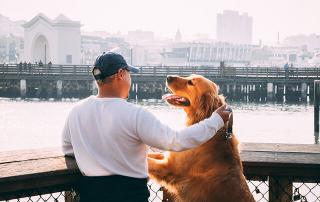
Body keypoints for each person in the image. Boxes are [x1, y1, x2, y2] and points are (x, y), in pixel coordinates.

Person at [61, 52, 231, 202]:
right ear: (121, 75)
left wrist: (98, 154)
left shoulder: (75, 111)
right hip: (130, 195)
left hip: (91, 194)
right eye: (129, 74)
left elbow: (68, 149)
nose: (130, 78)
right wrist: (215, 121)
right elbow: (175, 140)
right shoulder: (134, 114)